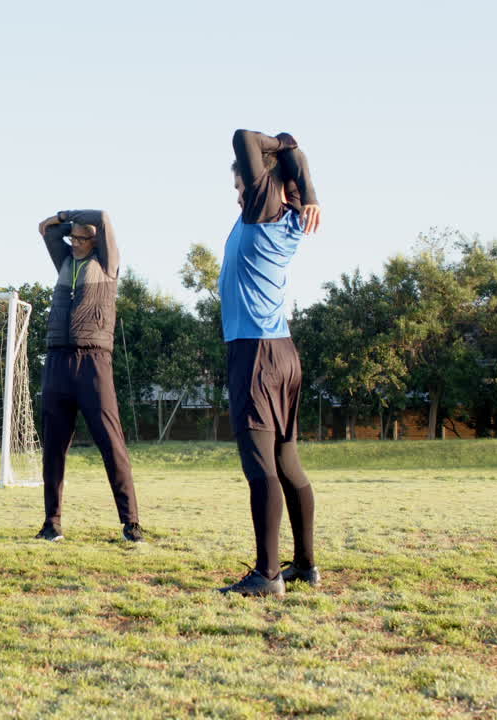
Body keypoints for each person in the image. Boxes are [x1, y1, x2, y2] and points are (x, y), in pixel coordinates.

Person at [217, 129, 322, 596]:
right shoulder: (295, 217)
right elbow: (293, 168)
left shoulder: (263, 210)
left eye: (240, 185)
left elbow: (243, 136)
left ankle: (267, 575)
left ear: (261, 183)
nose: (237, 193)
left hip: (255, 353)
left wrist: (280, 143)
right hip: (283, 352)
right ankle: (306, 566)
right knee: (287, 465)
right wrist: (303, 179)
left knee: (261, 469)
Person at [34, 210, 143, 543]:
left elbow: (105, 217)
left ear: (96, 241)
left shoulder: (107, 264)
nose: (75, 243)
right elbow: (46, 231)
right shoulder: (66, 261)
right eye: (73, 238)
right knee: (53, 447)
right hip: (56, 361)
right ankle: (51, 524)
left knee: (112, 444)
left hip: (94, 362)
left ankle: (131, 524)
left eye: (83, 239)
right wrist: (65, 226)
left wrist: (69, 216)